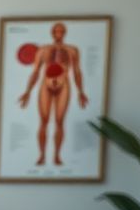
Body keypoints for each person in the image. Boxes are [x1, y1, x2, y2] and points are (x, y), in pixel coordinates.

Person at [18, 22, 88, 166]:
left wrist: (81, 91)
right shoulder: (43, 50)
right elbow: (36, 71)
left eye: (62, 31)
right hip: (46, 85)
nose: (59, 34)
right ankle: (42, 155)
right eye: (56, 31)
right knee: (43, 121)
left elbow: (77, 71)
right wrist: (28, 92)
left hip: (64, 85)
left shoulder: (72, 50)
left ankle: (57, 156)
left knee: (59, 122)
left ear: (65, 33)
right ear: (52, 33)